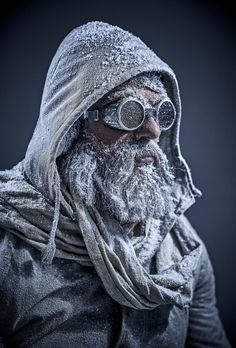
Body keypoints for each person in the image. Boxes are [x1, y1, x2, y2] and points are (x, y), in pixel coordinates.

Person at [0, 21, 231, 348]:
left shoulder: (182, 248)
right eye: (129, 111)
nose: (151, 131)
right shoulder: (9, 252)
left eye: (160, 112)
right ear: (73, 122)